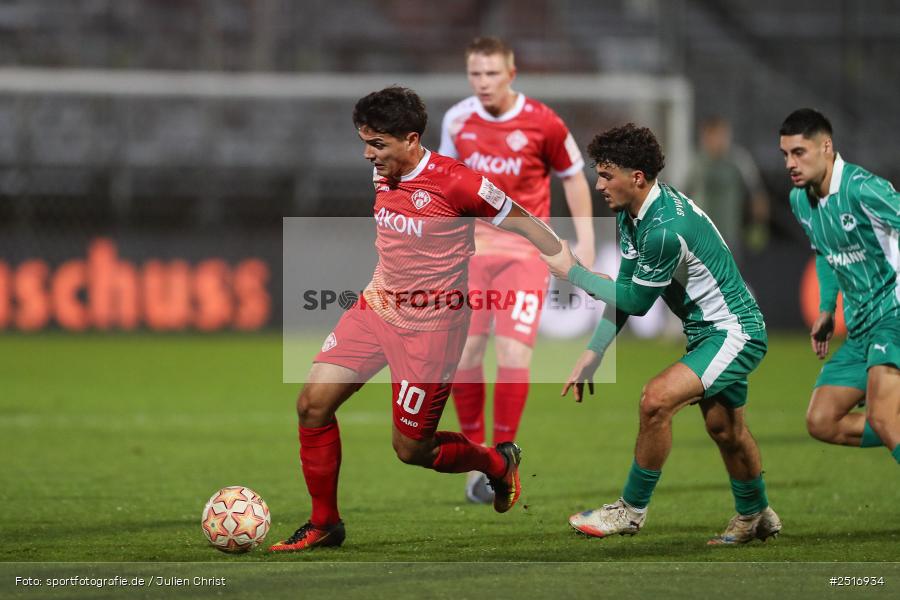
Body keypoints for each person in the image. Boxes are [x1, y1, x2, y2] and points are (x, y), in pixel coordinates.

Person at [270, 86, 563, 552]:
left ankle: (496, 463)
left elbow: (522, 219)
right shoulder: (384, 171)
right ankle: (324, 522)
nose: (368, 154)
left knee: (411, 450)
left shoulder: (458, 182)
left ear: (411, 139)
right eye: (364, 142)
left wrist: (569, 265)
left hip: (432, 332)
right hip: (376, 307)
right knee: (312, 405)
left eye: (378, 144)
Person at [541, 123, 781, 545]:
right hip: (709, 333)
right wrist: (593, 352)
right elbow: (626, 289)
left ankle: (630, 511)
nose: (598, 184)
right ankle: (755, 516)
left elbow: (636, 303)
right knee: (726, 429)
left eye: (605, 174)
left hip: (733, 332)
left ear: (636, 178)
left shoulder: (665, 228)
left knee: (656, 400)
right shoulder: (634, 214)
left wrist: (573, 272)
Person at [439, 36, 595, 503]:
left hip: (526, 253)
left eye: (491, 73)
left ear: (511, 74)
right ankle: (475, 458)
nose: (483, 83)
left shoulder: (543, 122)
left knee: (512, 352)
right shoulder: (457, 119)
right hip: (471, 251)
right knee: (466, 355)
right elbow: (446, 176)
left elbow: (572, 175)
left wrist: (584, 239)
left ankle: (503, 456)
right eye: (475, 74)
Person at [779, 108, 900, 462]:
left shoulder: (863, 189)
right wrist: (827, 309)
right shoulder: (799, 199)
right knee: (822, 420)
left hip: (893, 316)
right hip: (861, 327)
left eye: (799, 152)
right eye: (785, 154)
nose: (790, 163)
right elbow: (824, 252)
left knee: (883, 416)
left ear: (826, 147)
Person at [683, 117, 771, 264]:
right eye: (713, 136)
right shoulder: (695, 163)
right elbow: (681, 195)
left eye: (722, 135)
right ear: (705, 137)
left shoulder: (739, 160)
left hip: (728, 237)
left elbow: (757, 194)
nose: (718, 140)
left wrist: (758, 219)